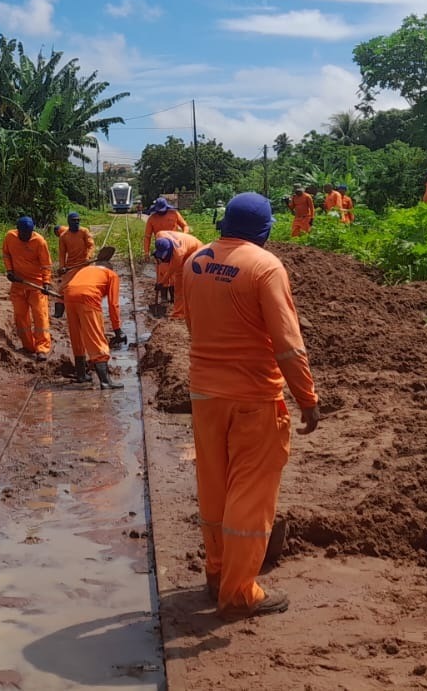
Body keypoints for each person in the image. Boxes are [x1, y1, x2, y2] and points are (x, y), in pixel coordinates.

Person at [180, 193, 319, 619]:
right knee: (250, 493)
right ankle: (239, 593)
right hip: (254, 398)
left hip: (204, 392)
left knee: (215, 485)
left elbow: (192, 321)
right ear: (264, 228)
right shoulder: (264, 266)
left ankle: (217, 573)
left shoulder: (195, 261)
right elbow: (288, 345)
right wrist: (307, 398)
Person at [63, 249, 126, 388]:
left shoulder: (85, 270)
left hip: (68, 296)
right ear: (110, 267)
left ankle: (81, 374)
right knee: (96, 337)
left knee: (77, 335)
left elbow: (68, 285)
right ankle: (105, 381)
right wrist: (117, 329)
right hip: (88, 297)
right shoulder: (111, 274)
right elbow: (113, 304)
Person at [2, 216, 53, 360]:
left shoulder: (39, 242)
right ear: (18, 231)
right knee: (20, 316)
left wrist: (46, 283)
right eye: (23, 233)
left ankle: (42, 348)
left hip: (36, 285)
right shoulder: (10, 237)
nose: (26, 236)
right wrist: (9, 270)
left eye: (28, 233)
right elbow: (6, 254)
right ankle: (28, 346)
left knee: (40, 316)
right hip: (18, 284)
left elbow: (46, 265)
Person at [151, 230, 203, 317]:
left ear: (169, 249)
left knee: (180, 283)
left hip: (197, 252)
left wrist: (161, 283)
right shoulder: (160, 234)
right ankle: (181, 309)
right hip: (186, 246)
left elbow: (170, 272)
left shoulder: (178, 255)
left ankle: (179, 313)